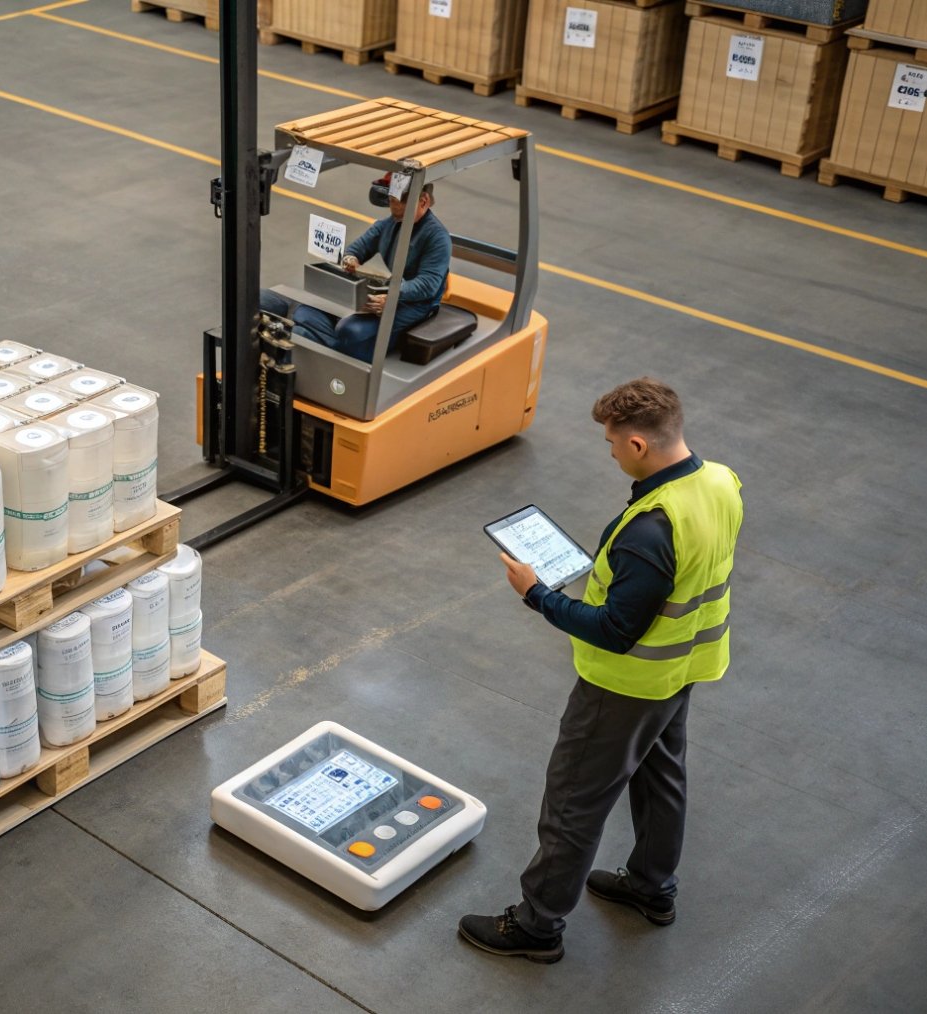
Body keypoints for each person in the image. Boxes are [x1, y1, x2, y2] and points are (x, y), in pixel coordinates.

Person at [457, 377, 744, 964]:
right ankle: (651, 887)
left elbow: (615, 630)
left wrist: (536, 593)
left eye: (613, 443)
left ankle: (538, 926)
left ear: (639, 444)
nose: (610, 452)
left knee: (572, 805)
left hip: (625, 686)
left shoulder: (650, 528)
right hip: (683, 668)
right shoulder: (721, 481)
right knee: (662, 778)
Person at [259, 179, 451, 363]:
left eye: (398, 204)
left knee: (349, 330)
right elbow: (357, 248)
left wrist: (392, 296)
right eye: (390, 202)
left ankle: (321, 339)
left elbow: (428, 284)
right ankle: (315, 335)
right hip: (388, 292)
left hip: (413, 305)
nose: (392, 209)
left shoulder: (437, 238)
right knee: (305, 313)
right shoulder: (391, 223)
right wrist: (350, 259)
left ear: (423, 201)